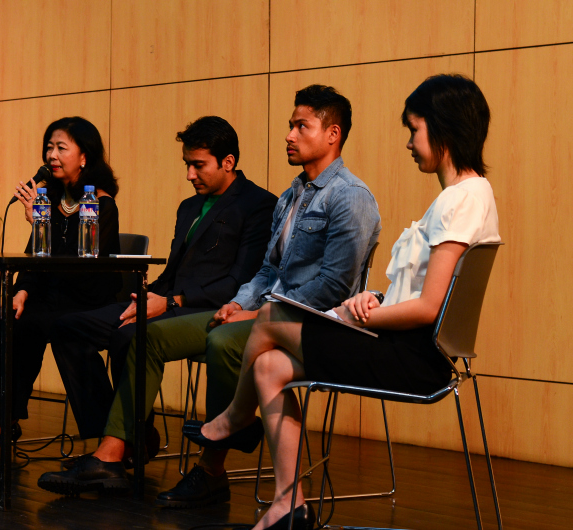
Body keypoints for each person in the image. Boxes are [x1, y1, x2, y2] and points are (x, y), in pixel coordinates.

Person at [187, 74, 500, 530]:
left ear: (443, 129)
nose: (409, 144)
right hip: (402, 341)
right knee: (267, 366)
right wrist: (375, 299)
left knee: (272, 315)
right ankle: (288, 506)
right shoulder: (463, 196)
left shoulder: (463, 199)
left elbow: (429, 309)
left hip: (414, 355)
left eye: (414, 130)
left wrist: (370, 311)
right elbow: (420, 294)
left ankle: (235, 417)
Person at [37, 87, 382, 500]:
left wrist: (256, 314)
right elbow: (269, 269)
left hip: (309, 323)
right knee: (149, 336)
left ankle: (211, 467)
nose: (289, 134)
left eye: (300, 125)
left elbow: (334, 286)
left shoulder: (350, 197)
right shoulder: (292, 196)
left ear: (332, 134)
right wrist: (239, 303)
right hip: (266, 311)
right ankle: (114, 451)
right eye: (290, 124)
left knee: (222, 339)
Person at [35, 116, 278, 490]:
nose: (189, 174)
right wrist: (148, 295)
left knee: (132, 336)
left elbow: (239, 282)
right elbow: (174, 270)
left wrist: (171, 300)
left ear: (228, 162)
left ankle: (113, 452)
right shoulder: (187, 206)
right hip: (171, 301)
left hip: (211, 309)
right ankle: (119, 436)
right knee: (68, 327)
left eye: (198, 165)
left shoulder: (258, 205)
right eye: (187, 164)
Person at [0, 117, 122, 451]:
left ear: (84, 157)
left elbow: (80, 268)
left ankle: (108, 439)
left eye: (61, 147)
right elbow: (36, 258)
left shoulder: (102, 204)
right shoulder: (52, 199)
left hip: (88, 301)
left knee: (61, 328)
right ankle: (1, 422)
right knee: (5, 321)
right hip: (51, 298)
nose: (52, 155)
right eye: (49, 147)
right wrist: (21, 291)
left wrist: (40, 221)